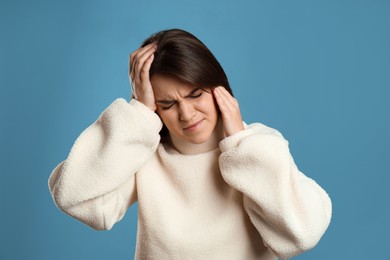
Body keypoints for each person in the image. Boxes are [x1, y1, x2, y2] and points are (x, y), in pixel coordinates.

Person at [48, 28, 332, 260]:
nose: (186, 114)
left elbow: (302, 233)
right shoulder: (141, 155)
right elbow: (73, 196)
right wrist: (137, 113)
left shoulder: (258, 148)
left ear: (218, 86)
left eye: (195, 94)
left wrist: (241, 147)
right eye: (167, 104)